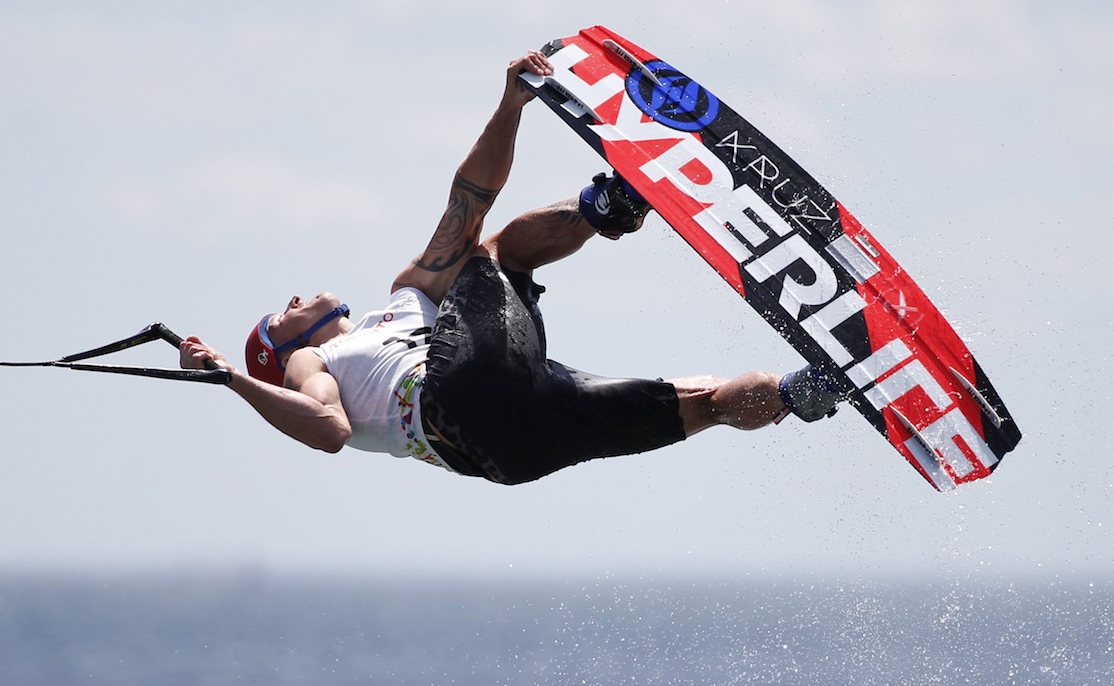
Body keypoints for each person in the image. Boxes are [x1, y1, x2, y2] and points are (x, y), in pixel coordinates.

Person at [180, 50, 843, 485]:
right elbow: (327, 432)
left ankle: (804, 392)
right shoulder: (313, 366)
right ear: (288, 347)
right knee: (496, 254)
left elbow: (467, 197)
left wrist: (510, 105)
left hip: (510, 453)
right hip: (458, 398)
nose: (295, 296)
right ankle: (611, 205)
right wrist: (233, 378)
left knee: (704, 403)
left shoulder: (407, 298)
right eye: (283, 313)